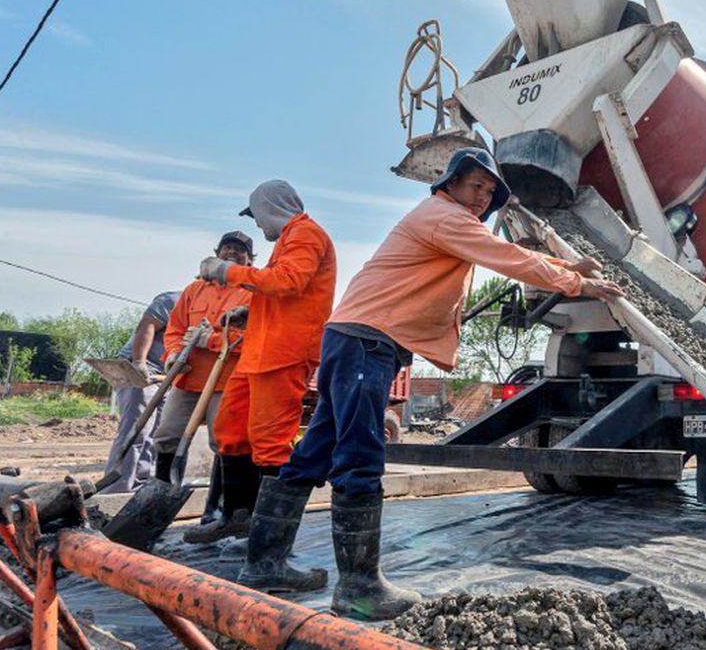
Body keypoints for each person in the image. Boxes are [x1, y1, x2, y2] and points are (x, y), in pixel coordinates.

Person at [237, 148, 624, 620]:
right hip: (366, 342)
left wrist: (567, 271)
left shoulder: (445, 219)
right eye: (475, 185)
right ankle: (358, 587)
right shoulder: (444, 217)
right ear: (451, 183)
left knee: (316, 449)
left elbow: (509, 254)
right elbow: (507, 256)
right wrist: (576, 284)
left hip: (354, 338)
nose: (482, 196)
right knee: (359, 456)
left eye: (489, 191)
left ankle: (264, 563)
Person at [188, 181, 337, 544]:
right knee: (230, 431)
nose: (257, 226)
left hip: (284, 354)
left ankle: (270, 538)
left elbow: (288, 282)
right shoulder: (289, 238)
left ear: (270, 208)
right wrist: (249, 310)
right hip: (261, 350)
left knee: (270, 442)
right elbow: (278, 292)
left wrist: (227, 272)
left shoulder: (306, 234)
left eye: (257, 217)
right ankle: (238, 517)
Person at [151, 231, 255, 496]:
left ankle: (221, 507)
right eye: (227, 247)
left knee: (222, 441)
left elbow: (254, 339)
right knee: (167, 434)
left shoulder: (252, 293)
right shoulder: (194, 290)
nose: (232, 252)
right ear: (217, 252)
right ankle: (162, 494)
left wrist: (212, 340)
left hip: (226, 382)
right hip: (188, 379)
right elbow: (174, 329)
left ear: (249, 259)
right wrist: (173, 355)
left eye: (239, 249)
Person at [99, 289, 180, 494]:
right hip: (138, 368)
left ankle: (140, 484)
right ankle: (116, 489)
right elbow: (148, 324)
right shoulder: (174, 300)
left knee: (157, 433)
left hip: (166, 375)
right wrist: (139, 362)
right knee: (137, 429)